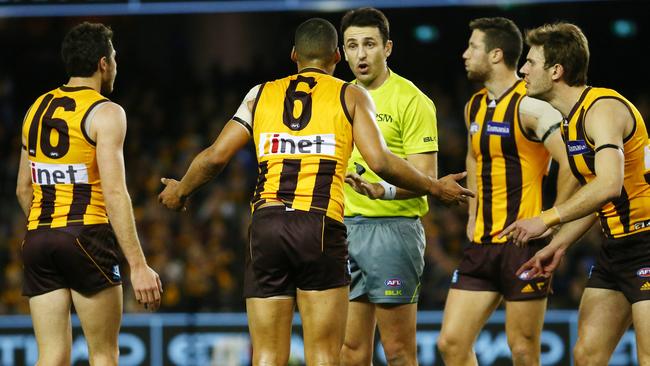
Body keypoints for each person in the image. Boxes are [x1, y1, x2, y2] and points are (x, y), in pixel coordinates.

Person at [158, 18, 472, 366]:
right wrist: (434, 186)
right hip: (321, 227)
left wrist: (180, 190)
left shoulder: (259, 94)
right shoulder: (350, 95)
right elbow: (380, 162)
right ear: (337, 56)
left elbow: (215, 158)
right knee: (325, 354)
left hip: (267, 225)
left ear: (294, 54)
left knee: (265, 354)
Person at [502, 22, 650, 365]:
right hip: (616, 248)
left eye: (531, 62)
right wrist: (559, 245)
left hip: (646, 244)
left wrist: (546, 219)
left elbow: (609, 184)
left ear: (556, 71)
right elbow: (596, 195)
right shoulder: (571, 120)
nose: (522, 69)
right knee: (586, 355)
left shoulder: (602, 109)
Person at [15, 22, 162, 365]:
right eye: (114, 57)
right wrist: (138, 265)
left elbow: (23, 188)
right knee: (104, 355)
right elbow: (114, 191)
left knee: (51, 356)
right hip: (86, 237)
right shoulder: (106, 112)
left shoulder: (34, 109)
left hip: (39, 238)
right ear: (103, 63)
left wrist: (51, 229)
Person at [435, 18, 572, 366]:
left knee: (524, 351)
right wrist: (472, 213)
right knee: (451, 344)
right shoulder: (474, 106)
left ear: (496, 54)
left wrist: (550, 220)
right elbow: (473, 157)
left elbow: (572, 164)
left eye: (473, 47)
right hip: (481, 245)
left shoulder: (532, 107)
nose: (465, 54)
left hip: (522, 248)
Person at [337, 8, 440, 365]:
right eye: (352, 45)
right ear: (343, 52)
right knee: (350, 351)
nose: (361, 54)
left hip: (392, 232)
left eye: (369, 44)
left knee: (397, 352)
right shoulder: (339, 97)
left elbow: (426, 176)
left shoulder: (412, 100)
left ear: (388, 48)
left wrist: (386, 191)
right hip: (343, 230)